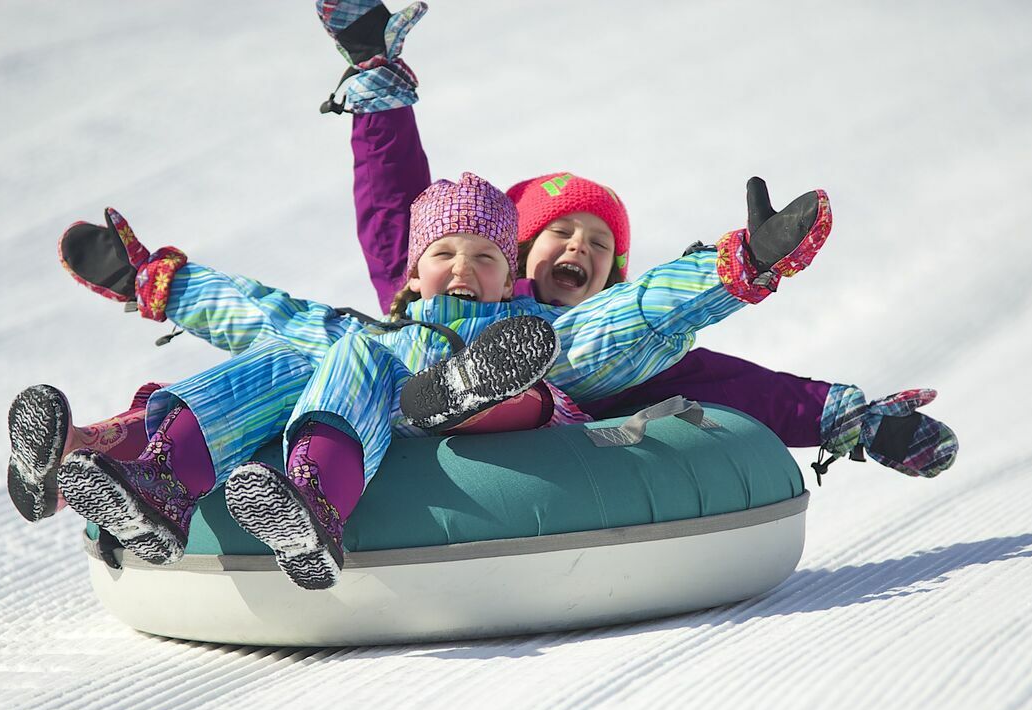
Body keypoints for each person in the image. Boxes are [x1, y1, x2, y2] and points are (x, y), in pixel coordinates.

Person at [33, 169, 828, 590]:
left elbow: (631, 319)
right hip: (396, 405)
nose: (465, 268)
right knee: (296, 355)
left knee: (531, 364)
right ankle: (176, 482)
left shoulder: (544, 326)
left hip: (522, 412)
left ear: (507, 273)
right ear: (412, 276)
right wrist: (159, 282)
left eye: (486, 258)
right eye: (445, 254)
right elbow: (260, 312)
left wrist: (740, 263)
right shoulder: (377, 332)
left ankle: (454, 404)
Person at [317, 0, 958, 483]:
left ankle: (745, 268)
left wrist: (858, 422)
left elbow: (745, 389)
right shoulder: (447, 289)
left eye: (600, 246)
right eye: (559, 234)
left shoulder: (628, 349)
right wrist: (375, 79)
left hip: (555, 445)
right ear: (508, 254)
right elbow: (393, 207)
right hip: (416, 428)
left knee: (632, 349)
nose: (579, 249)